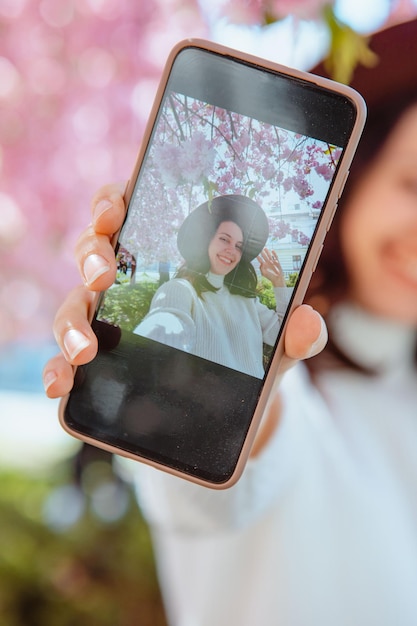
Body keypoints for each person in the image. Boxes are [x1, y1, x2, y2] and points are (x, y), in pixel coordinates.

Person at [43, 18, 417, 626]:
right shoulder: (284, 378)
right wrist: (177, 384)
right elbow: (223, 493)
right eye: (410, 182)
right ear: (356, 174)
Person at [132, 194, 291, 378]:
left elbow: (282, 336)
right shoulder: (181, 290)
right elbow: (166, 323)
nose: (231, 250)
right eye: (224, 239)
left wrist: (279, 283)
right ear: (207, 240)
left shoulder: (249, 303)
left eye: (239, 246)